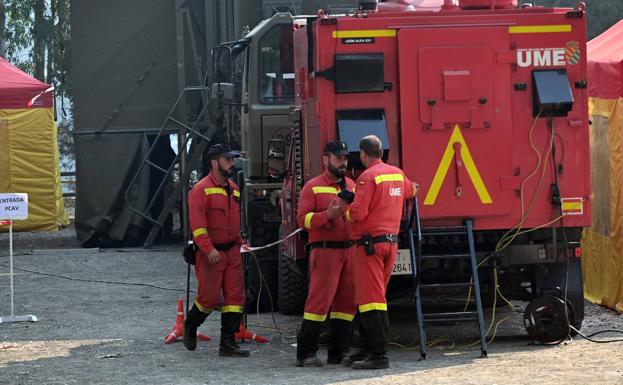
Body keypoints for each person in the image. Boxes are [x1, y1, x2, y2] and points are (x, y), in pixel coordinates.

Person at [342, 135, 419, 369]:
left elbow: (358, 214)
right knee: (373, 297)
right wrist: (414, 188)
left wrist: (345, 208)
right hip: (390, 244)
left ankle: (378, 355)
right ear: (382, 153)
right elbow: (410, 191)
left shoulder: (367, 177)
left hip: (369, 246)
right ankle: (365, 348)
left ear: (364, 154)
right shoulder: (397, 173)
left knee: (371, 300)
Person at [184, 143, 249, 357]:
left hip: (232, 252)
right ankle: (191, 325)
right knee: (209, 298)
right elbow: (198, 225)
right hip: (211, 253)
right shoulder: (200, 190)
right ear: (214, 162)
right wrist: (208, 249)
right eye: (228, 159)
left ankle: (228, 343)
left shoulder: (234, 188)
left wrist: (239, 240)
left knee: (234, 298)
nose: (232, 163)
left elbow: (233, 220)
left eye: (232, 159)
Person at [295, 141, 357, 367]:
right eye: (339, 158)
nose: (343, 162)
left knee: (346, 304)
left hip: (349, 251)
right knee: (319, 304)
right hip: (325, 251)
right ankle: (306, 353)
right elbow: (302, 220)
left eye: (345, 158)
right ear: (326, 159)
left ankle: (338, 353)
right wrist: (327, 215)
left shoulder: (351, 184)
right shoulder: (312, 187)